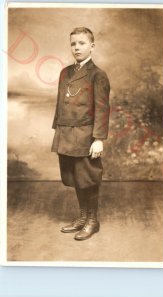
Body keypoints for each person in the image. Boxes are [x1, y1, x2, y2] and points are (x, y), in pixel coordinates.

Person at [51, 27, 110, 241]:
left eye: (82, 43)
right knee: (75, 178)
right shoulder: (65, 72)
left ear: (92, 46)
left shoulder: (98, 75)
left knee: (88, 178)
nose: (76, 48)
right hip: (66, 133)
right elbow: (61, 104)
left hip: (86, 136)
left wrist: (99, 139)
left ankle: (92, 221)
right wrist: (58, 129)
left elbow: (102, 108)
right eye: (73, 44)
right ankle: (83, 217)